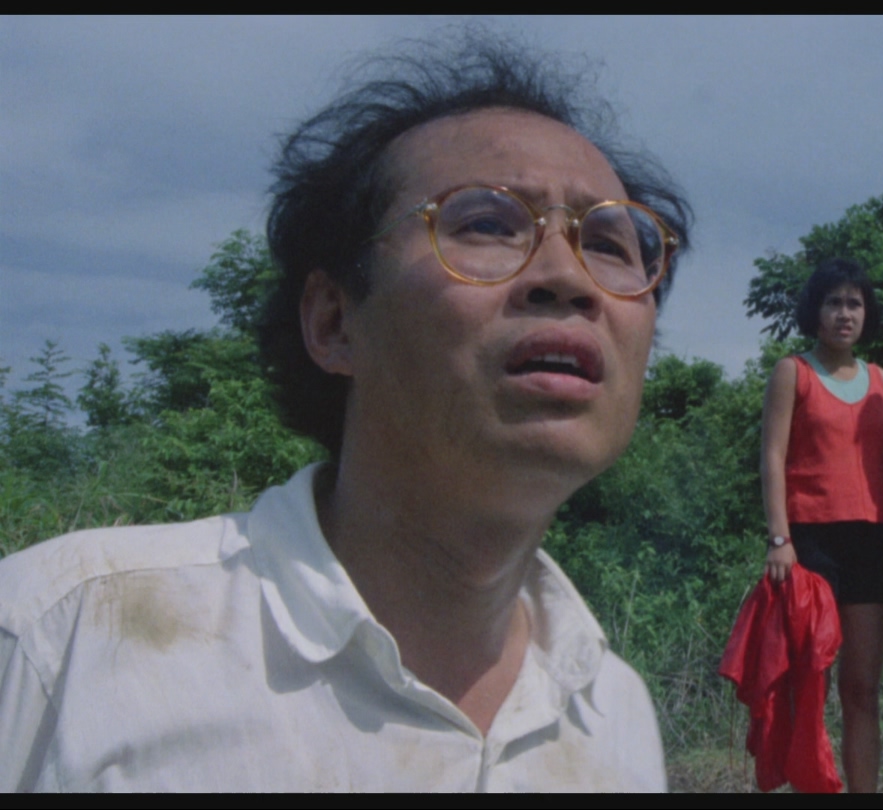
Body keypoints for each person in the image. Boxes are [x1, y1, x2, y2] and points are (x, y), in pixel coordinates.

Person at [0, 29, 691, 792]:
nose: (568, 277)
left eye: (611, 243)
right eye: (488, 224)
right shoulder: (61, 638)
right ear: (333, 322)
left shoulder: (614, 713)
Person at [759, 258, 883, 793]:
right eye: (834, 303)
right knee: (807, 684)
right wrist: (780, 538)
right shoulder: (792, 372)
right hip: (809, 541)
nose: (845, 314)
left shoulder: (881, 379)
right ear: (815, 312)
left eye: (855, 303)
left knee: (862, 689)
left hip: (872, 537)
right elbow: (772, 457)